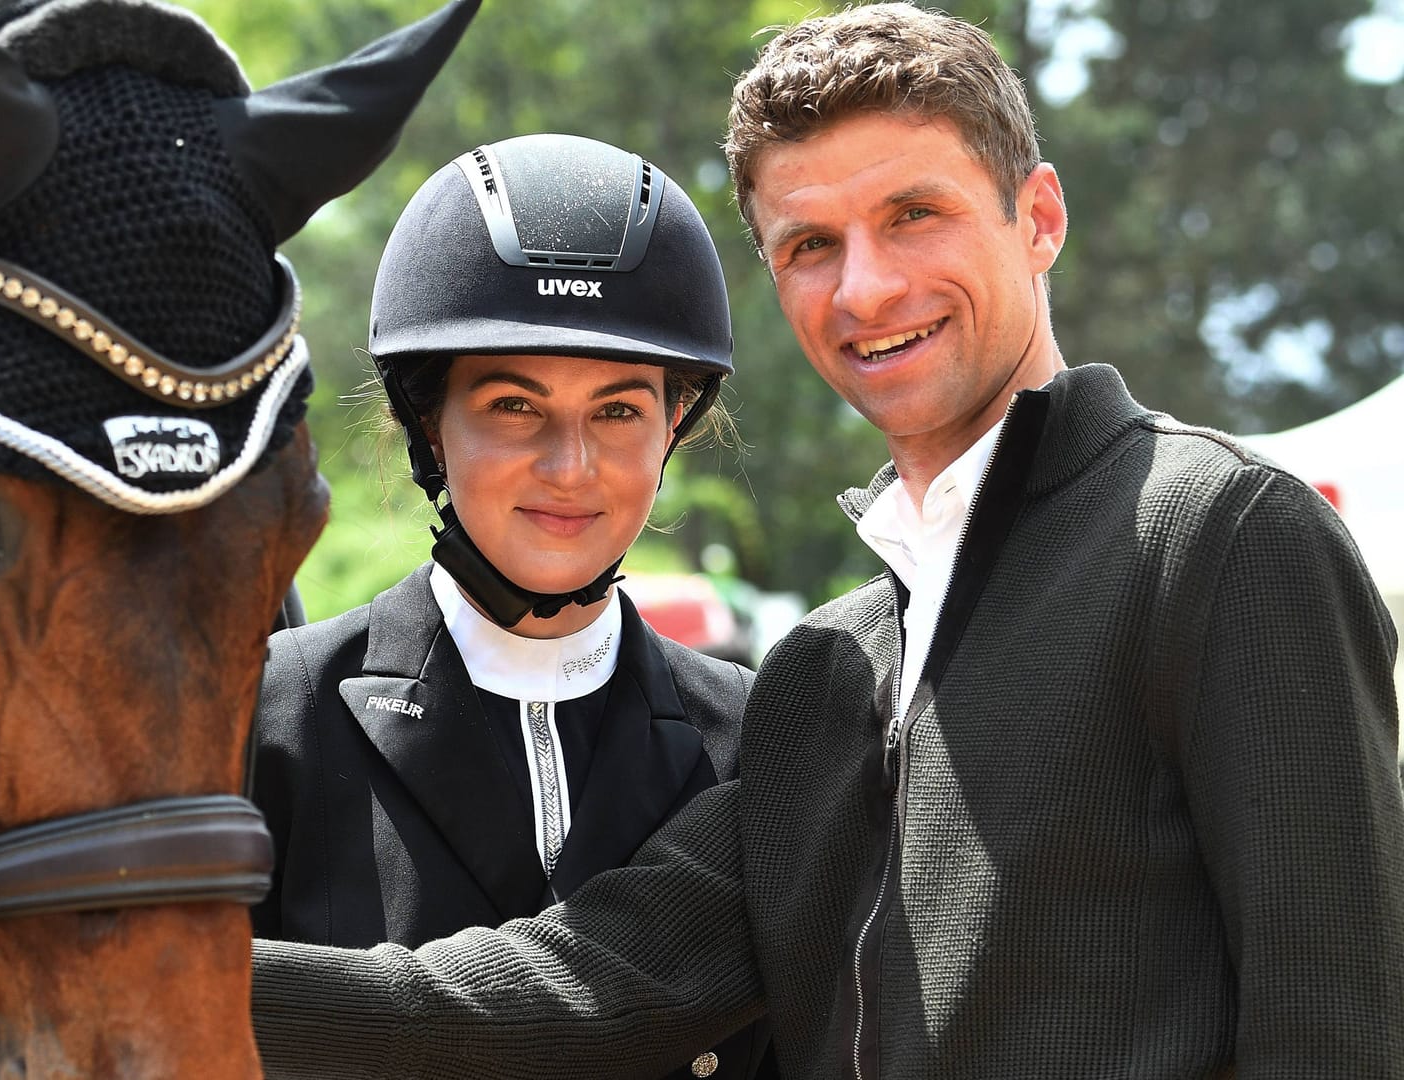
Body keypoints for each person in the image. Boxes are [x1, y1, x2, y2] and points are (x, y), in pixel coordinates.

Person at [244, 6, 1404, 1078]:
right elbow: (584, 979)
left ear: (1039, 217)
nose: (866, 288)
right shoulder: (826, 674)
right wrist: (131, 972)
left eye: (914, 215)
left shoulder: (1219, 535)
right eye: (808, 245)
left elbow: (1342, 1030)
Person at [252, 131, 772, 1080]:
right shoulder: (278, 716)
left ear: (672, 429)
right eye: (514, 406)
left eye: (619, 411)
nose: (571, 468)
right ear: (429, 426)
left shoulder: (753, 737)